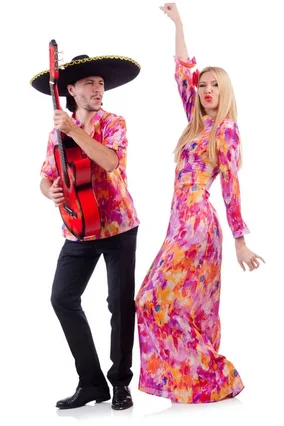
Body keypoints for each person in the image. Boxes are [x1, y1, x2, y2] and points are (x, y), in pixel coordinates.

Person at [135, 2, 264, 404]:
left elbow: (231, 187)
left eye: (214, 87)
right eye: (203, 86)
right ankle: (194, 378)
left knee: (151, 298)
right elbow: (183, 71)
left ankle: (211, 374)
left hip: (198, 224)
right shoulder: (196, 123)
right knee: (172, 305)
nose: (207, 91)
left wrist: (241, 238)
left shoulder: (225, 131)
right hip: (179, 223)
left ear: (225, 93)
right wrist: (178, 23)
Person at [31, 52, 141, 410]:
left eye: (101, 84)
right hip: (78, 228)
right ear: (71, 91)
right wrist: (52, 192)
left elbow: (110, 161)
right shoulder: (56, 133)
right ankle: (91, 382)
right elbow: (45, 178)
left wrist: (74, 130)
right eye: (90, 83)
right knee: (62, 298)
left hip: (118, 226)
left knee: (120, 304)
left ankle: (120, 383)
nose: (98, 89)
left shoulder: (114, 122)